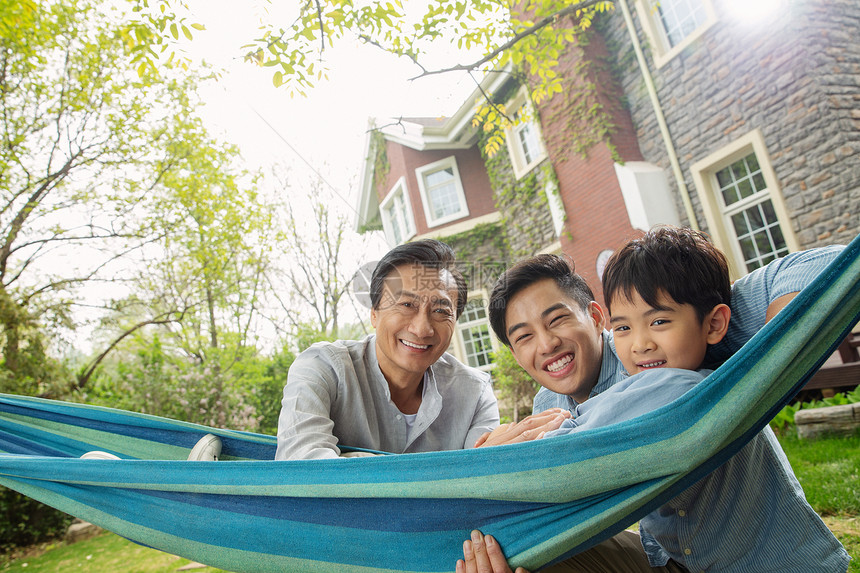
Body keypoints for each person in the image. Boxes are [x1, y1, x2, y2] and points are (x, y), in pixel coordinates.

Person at [458, 227, 849, 572]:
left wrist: (762, 366)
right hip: (669, 560)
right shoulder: (548, 408)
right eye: (524, 336)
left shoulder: (671, 350)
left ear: (596, 318)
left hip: (767, 562)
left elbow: (825, 264)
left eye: (557, 319)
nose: (546, 344)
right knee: (511, 555)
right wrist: (495, 463)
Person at [274, 239, 506, 459]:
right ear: (374, 313)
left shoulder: (475, 392)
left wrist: (349, 458)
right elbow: (303, 467)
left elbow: (483, 475)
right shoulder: (323, 368)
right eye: (406, 305)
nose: (422, 329)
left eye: (440, 311)